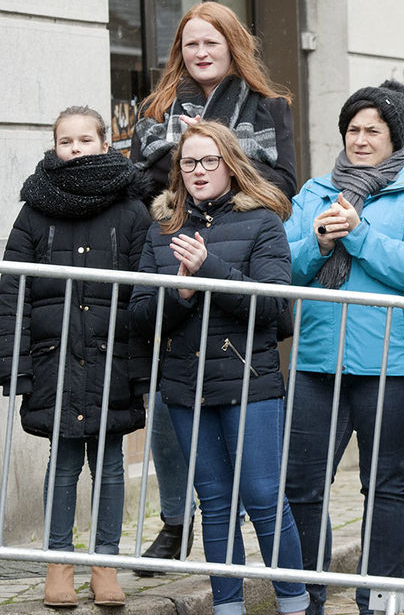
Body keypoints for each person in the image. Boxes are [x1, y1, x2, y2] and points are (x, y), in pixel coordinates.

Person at [130, 0, 297, 570]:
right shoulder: (156, 108)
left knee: (256, 486)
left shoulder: (268, 106)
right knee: (169, 397)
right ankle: (177, 519)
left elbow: (283, 183)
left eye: (212, 44)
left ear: (233, 47)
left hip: (241, 250)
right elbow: (145, 182)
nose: (200, 54)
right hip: (171, 246)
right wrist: (183, 161)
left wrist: (220, 152)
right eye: (191, 44)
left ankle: (294, 589)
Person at [129, 121, 306, 615]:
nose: (198, 171)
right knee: (215, 505)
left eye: (209, 161)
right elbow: (142, 315)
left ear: (230, 164)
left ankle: (294, 602)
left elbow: (276, 310)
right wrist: (182, 295)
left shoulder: (263, 222)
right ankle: (228, 607)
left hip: (251, 383)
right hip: (187, 388)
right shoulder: (161, 227)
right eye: (188, 162)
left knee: (265, 499)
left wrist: (209, 270)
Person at [284, 80, 404, 615]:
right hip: (316, 359)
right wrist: (320, 241)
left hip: (393, 364)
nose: (360, 139)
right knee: (303, 485)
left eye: (372, 130)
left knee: (386, 484)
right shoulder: (313, 192)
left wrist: (355, 234)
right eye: (352, 129)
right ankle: (306, 596)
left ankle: (377, 600)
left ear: (393, 136)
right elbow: (285, 266)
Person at [0, 106, 153, 607]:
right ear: (54, 147)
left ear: (105, 144)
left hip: (113, 357)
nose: (75, 149)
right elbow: (12, 290)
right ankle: (58, 564)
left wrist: (142, 364)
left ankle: (104, 566)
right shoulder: (35, 209)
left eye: (86, 140)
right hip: (55, 359)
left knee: (110, 465)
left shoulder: (132, 210)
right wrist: (14, 364)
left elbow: (144, 290)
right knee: (63, 464)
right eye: (66, 141)